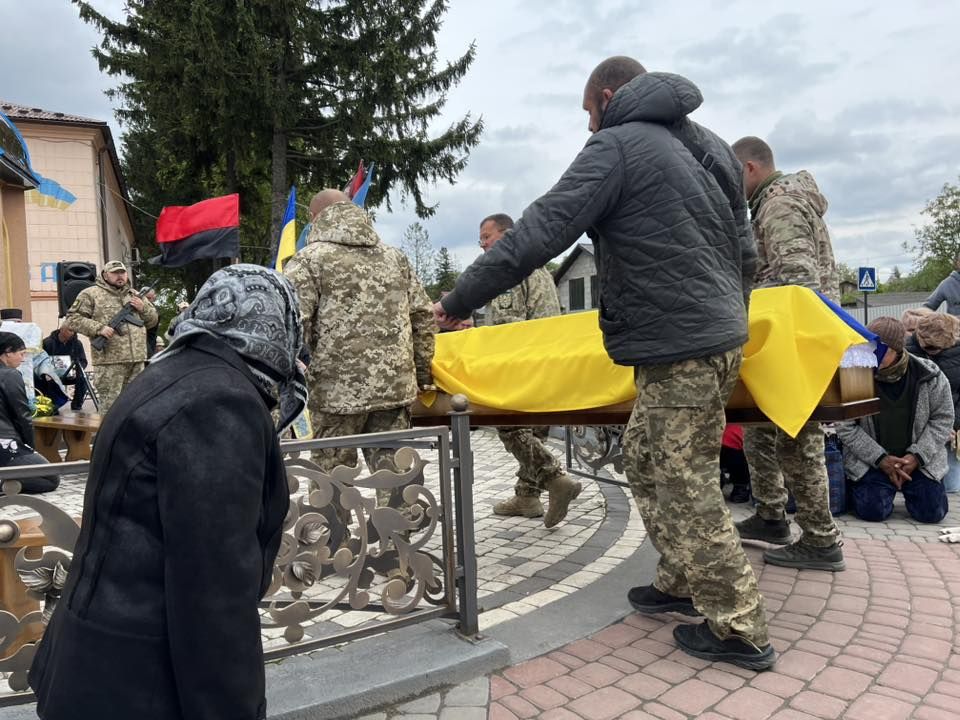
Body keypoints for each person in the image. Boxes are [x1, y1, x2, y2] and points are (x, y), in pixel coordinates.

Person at [435, 57, 773, 669]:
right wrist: (730, 318)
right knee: (644, 455)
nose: (587, 127)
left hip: (680, 347)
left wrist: (457, 302)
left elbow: (538, 231)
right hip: (715, 336)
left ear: (608, 97)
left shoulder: (617, 147)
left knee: (683, 478)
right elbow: (745, 253)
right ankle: (678, 577)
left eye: (587, 113)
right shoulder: (715, 150)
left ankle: (739, 625)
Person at [28, 264, 305, 720]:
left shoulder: (171, 372)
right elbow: (212, 585)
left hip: (94, 664)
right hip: (145, 681)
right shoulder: (219, 401)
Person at [730, 137, 844, 572]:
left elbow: (798, 280)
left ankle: (820, 539)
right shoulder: (770, 204)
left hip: (798, 343)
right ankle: (771, 516)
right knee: (758, 432)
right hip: (782, 344)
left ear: (752, 168)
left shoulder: (778, 204)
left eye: (733, 175)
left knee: (797, 440)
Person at [283, 189, 436, 509]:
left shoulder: (310, 259)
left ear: (315, 219)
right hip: (394, 390)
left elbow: (293, 324)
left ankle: (332, 550)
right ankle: (398, 551)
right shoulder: (396, 257)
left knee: (331, 481)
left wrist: (291, 381)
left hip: (336, 395)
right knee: (395, 475)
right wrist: (422, 373)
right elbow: (422, 316)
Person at [476, 213, 583, 527]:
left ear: (506, 234)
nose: (482, 245)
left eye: (486, 236)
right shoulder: (537, 265)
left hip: (525, 365)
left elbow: (509, 328)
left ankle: (554, 478)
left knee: (509, 427)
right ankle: (527, 497)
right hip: (551, 361)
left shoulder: (510, 269)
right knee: (534, 431)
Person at [838, 316, 951, 523]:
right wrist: (881, 459)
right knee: (873, 511)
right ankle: (865, 489)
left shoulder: (929, 374)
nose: (874, 355)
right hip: (872, 461)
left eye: (882, 350)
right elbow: (846, 427)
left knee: (931, 513)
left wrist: (917, 457)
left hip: (918, 460)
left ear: (898, 350)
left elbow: (942, 419)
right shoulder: (856, 375)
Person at [65, 260, 158, 414]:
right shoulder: (91, 294)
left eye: (122, 273)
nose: (119, 276)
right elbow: (72, 319)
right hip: (110, 362)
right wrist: (99, 328)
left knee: (136, 406)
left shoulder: (135, 295)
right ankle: (107, 438)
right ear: (105, 275)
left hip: (137, 360)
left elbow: (152, 321)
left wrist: (143, 309)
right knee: (111, 409)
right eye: (115, 273)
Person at [0, 332, 59, 493]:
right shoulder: (9, 375)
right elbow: (22, 416)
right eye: (21, 353)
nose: (23, 358)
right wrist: (29, 446)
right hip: (5, 443)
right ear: (7, 352)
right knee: (50, 478)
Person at [908, 312, 960, 493]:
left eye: (936, 348)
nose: (931, 350)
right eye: (927, 346)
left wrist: (952, 424)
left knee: (951, 488)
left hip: (952, 432)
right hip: (915, 429)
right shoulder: (906, 351)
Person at [40, 324, 88, 411]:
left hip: (71, 374)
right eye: (70, 330)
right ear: (62, 330)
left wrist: (76, 370)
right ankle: (54, 404)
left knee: (82, 379)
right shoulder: (47, 342)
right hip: (53, 375)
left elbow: (83, 361)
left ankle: (77, 404)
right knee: (46, 380)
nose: (73, 333)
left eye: (74, 331)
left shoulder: (77, 343)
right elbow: (41, 361)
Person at [144, 288, 160, 357]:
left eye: (150, 298)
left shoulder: (155, 310)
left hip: (152, 341)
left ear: (154, 297)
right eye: (146, 298)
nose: (148, 301)